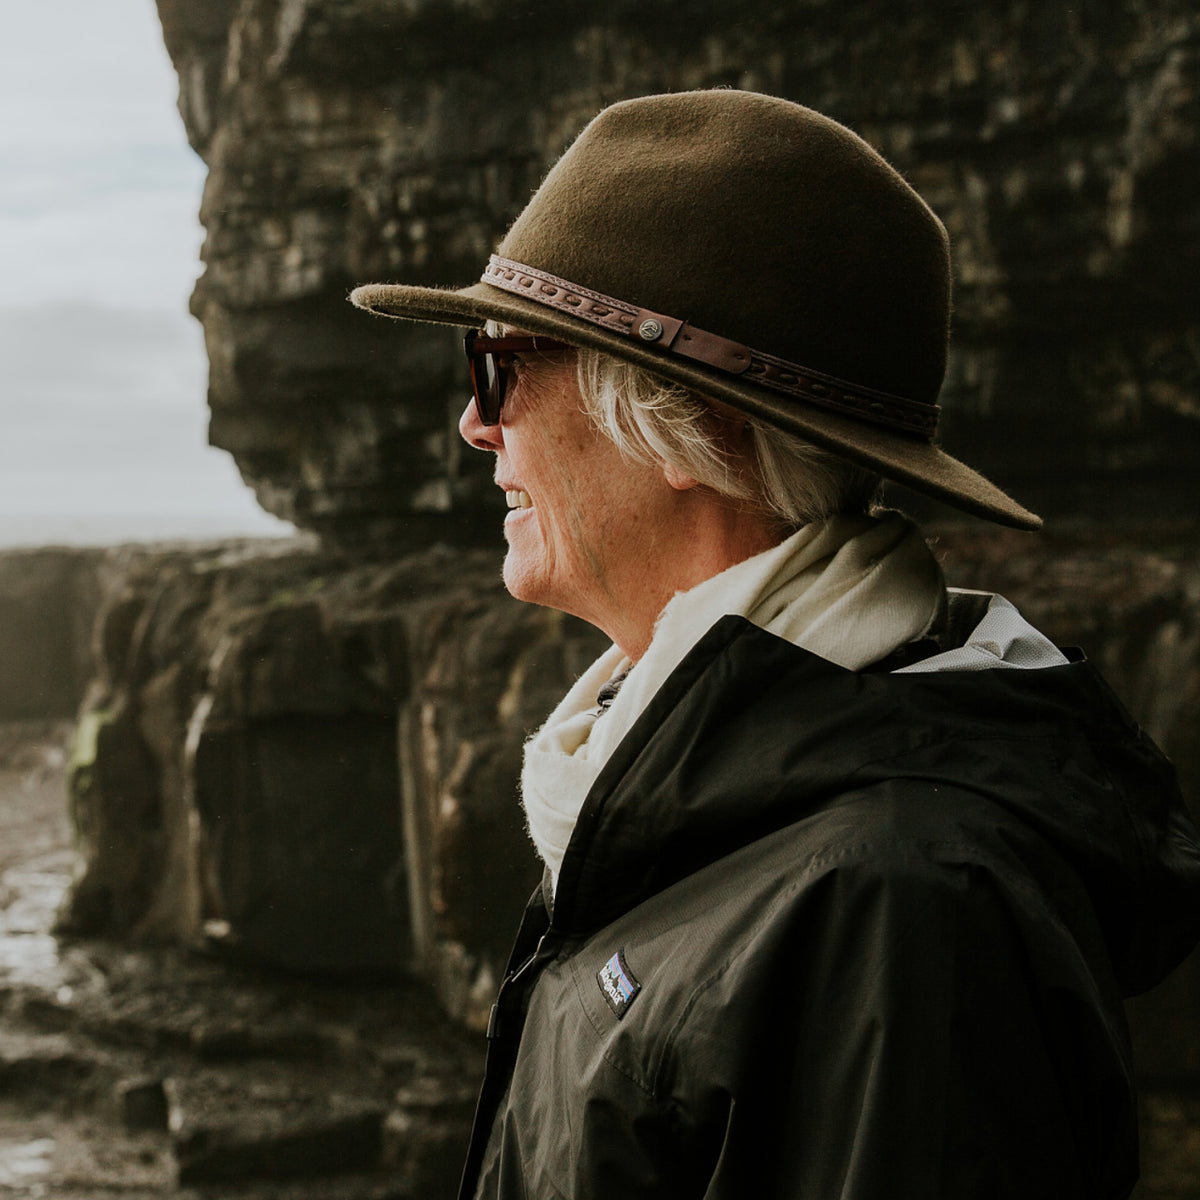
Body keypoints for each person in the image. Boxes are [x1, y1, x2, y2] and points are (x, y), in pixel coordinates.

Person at [352, 91, 1200, 1200]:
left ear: (687, 430)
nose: (477, 421)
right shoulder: (666, 785)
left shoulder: (899, 910)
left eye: (499, 361)